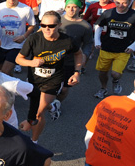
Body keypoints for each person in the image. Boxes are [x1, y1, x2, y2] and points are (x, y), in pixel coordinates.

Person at [16, 11, 84, 142]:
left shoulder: (67, 41)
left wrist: (77, 72)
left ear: (59, 25)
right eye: (43, 25)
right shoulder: (34, 39)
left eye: (51, 26)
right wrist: (31, 62)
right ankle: (53, 107)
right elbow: (19, 59)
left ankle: (34, 142)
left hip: (53, 80)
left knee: (38, 112)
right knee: (42, 104)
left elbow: (78, 54)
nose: (47, 29)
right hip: (34, 79)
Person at [93, 0, 135, 98]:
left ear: (130, 2)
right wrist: (97, 41)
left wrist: (133, 46)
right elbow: (98, 25)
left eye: (124, 3)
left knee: (115, 73)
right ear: (114, 1)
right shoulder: (108, 13)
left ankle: (116, 80)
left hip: (124, 50)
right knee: (102, 72)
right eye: (118, 2)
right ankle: (103, 88)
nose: (120, 5)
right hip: (106, 47)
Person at [58, 0, 94, 103]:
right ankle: (49, 103)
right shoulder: (57, 21)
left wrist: (85, 55)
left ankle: (58, 103)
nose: (71, 10)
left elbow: (88, 43)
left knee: (64, 89)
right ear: (65, 8)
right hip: (54, 58)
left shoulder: (85, 26)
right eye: (68, 7)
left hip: (71, 61)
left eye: (74, 7)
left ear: (79, 9)